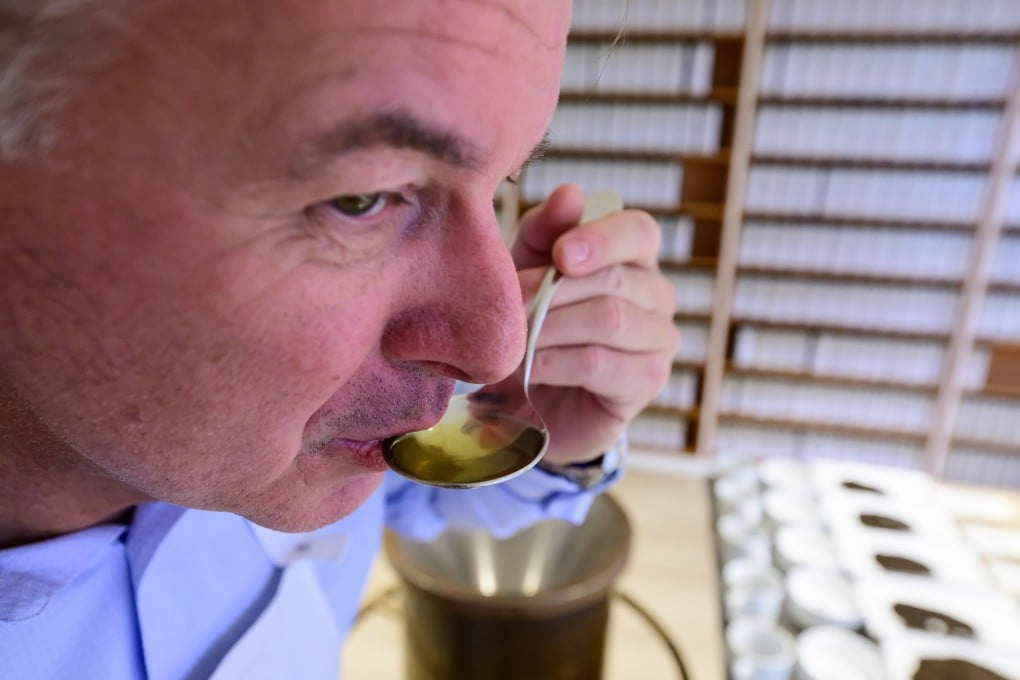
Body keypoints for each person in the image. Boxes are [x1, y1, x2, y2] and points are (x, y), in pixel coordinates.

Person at [0, 1, 680, 677]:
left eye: (502, 183)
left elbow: (415, 499)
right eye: (362, 199)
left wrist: (551, 441)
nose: (498, 347)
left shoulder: (273, 433)